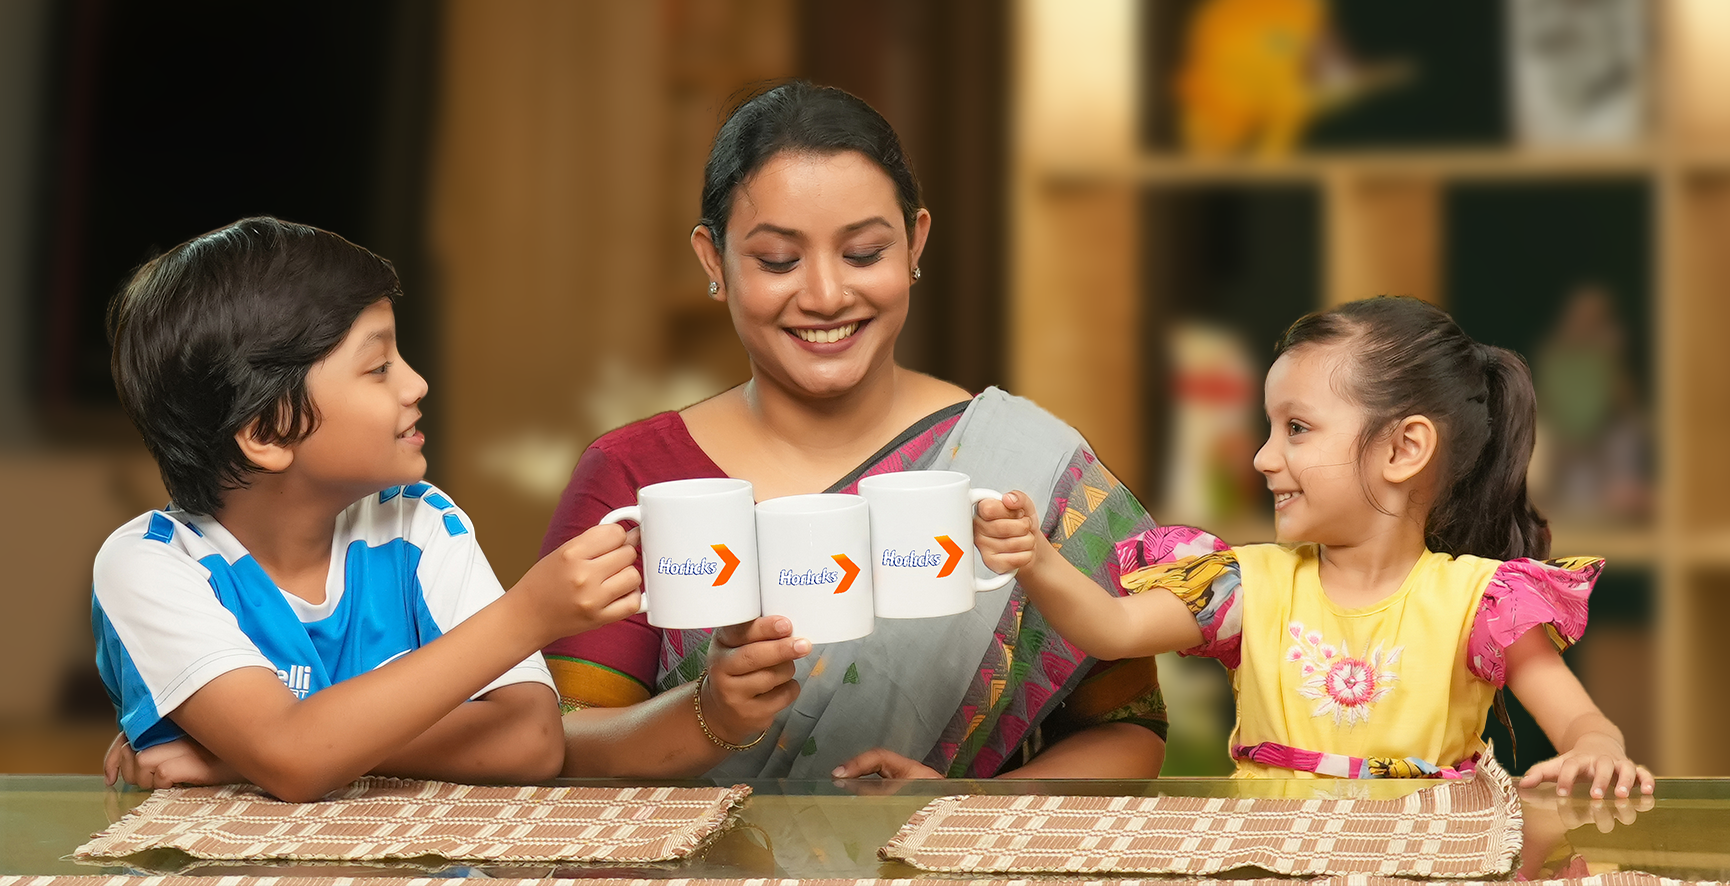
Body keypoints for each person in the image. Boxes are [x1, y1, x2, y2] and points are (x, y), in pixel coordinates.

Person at [541, 81, 1167, 780]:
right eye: (778, 260)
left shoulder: (1026, 463)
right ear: (713, 261)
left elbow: (1128, 730)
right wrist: (709, 717)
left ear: (915, 242)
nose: (826, 295)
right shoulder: (636, 475)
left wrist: (954, 823)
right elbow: (558, 742)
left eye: (864, 254)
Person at [977, 296, 1655, 798]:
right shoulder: (1244, 586)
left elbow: (1584, 725)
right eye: (1269, 429)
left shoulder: (1481, 602)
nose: (1265, 458)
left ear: (1403, 448)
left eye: (1296, 428)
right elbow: (1114, 627)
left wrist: (1598, 752)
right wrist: (1034, 556)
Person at [92, 218, 641, 801]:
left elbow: (532, 740)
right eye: (378, 368)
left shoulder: (417, 522)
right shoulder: (150, 565)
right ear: (269, 431)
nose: (417, 384)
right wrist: (527, 615)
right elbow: (293, 755)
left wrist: (243, 759)